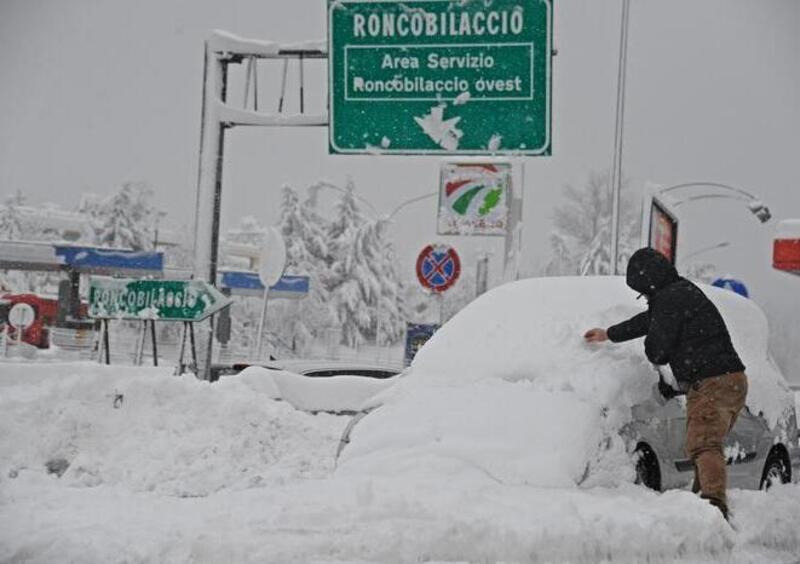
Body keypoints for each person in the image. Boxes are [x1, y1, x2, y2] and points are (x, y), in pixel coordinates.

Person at [583, 247, 747, 520]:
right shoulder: (681, 292)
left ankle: (714, 508)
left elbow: (656, 350)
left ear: (649, 282)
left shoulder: (670, 299)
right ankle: (702, 507)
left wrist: (659, 351)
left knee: (704, 444)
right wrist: (609, 334)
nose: (644, 297)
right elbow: (649, 320)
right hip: (730, 380)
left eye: (642, 291)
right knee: (702, 445)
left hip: (713, 382)